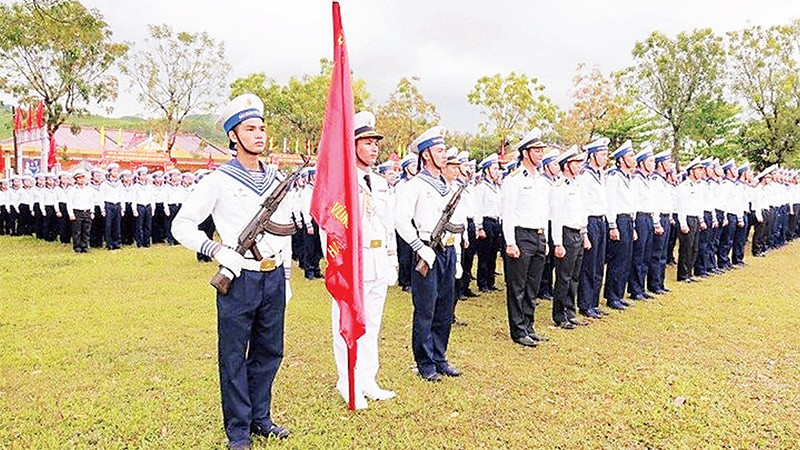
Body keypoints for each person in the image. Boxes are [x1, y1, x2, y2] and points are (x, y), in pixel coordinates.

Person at [172, 93, 293, 448]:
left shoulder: (276, 178)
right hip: (239, 278)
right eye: (249, 129)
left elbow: (285, 229)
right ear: (233, 136)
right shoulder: (218, 180)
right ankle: (238, 431)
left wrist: (286, 277)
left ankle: (260, 418)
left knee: (270, 352)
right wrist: (217, 249)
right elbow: (182, 225)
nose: (259, 135)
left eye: (261, 128)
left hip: (272, 275)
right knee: (234, 356)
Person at [330, 111, 396, 409]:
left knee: (371, 324)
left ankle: (368, 379)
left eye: (375, 143)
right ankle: (348, 382)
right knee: (346, 324)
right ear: (352, 144)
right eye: (367, 142)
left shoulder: (380, 182)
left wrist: (392, 260)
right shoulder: (341, 183)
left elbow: (388, 224)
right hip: (352, 263)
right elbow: (331, 227)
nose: (373, 148)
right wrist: (338, 264)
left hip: (378, 259)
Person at [395, 125, 462, 381]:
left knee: (445, 307)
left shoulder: (448, 185)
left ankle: (440, 356)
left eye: (444, 150)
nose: (444, 155)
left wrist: (456, 254)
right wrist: (419, 247)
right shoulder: (414, 185)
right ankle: (425, 363)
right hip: (426, 249)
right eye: (439, 150)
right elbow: (401, 220)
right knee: (425, 309)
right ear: (426, 155)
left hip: (448, 249)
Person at [501, 128, 551, 347]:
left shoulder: (541, 179)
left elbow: (544, 212)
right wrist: (510, 242)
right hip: (521, 236)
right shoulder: (513, 180)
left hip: (538, 235)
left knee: (533, 286)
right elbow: (508, 213)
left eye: (541, 150)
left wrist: (545, 238)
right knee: (518, 286)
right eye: (536, 150)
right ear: (525, 153)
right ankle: (518, 330)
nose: (541, 154)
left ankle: (529, 325)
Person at [550, 148, 591, 329]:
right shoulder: (560, 187)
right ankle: (559, 315)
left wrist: (584, 234)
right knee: (563, 277)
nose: (579, 165)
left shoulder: (577, 185)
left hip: (577, 233)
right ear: (566, 165)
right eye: (576, 163)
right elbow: (556, 217)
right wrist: (558, 243)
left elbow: (581, 213)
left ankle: (570, 311)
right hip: (565, 233)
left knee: (574, 276)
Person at [577, 138, 609, 319]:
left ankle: (594, 302)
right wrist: (584, 231)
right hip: (589, 221)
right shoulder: (585, 175)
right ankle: (585, 303)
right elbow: (582, 204)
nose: (605, 158)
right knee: (589, 265)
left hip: (601, 220)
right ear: (593, 155)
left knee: (599, 263)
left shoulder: (601, 174)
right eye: (602, 154)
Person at [603, 140, 638, 310]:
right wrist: (612, 225)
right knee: (617, 259)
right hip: (618, 219)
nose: (634, 159)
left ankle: (619, 293)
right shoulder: (614, 177)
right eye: (630, 156)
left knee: (626, 258)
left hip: (628, 220)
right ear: (621, 159)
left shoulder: (628, 177)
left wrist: (633, 225)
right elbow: (610, 202)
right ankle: (612, 296)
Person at [474, 153, 503, 293]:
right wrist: (479, 227)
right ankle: (482, 282)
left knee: (493, 254)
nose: (497, 171)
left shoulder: (497, 187)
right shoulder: (482, 187)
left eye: (498, 168)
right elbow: (478, 208)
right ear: (487, 170)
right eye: (494, 168)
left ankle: (491, 280)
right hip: (486, 222)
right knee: (484, 254)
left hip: (496, 222)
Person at [677, 157, 707, 282]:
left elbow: (699, 205)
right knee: (686, 248)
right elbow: (681, 206)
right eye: (698, 169)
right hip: (687, 218)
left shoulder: (698, 186)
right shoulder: (684, 186)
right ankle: (683, 274)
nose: (701, 172)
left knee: (694, 248)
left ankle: (689, 272)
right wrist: (683, 223)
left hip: (695, 218)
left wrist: (701, 220)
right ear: (691, 171)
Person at [67, 170, 94, 253]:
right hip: (77, 211)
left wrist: (92, 212)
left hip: (87, 211)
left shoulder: (88, 190)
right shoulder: (72, 190)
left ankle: (84, 246)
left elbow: (91, 201)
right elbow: (69, 203)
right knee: (77, 231)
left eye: (83, 178)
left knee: (86, 230)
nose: (82, 180)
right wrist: (71, 214)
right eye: (79, 178)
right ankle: (77, 247)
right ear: (76, 179)